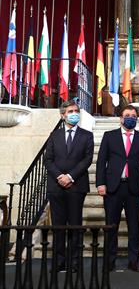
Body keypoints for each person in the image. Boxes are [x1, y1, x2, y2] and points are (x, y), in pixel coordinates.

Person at [96, 105, 139, 272]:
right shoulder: (109, 136)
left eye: (133, 116)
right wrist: (100, 183)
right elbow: (101, 162)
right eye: (127, 115)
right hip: (113, 187)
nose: (130, 118)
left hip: (134, 188)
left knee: (134, 227)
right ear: (120, 118)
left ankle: (133, 261)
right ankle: (110, 261)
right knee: (111, 226)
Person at [44, 100, 94, 272]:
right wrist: (60, 176)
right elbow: (48, 159)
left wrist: (70, 176)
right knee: (58, 226)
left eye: (76, 110)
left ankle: (74, 261)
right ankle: (59, 261)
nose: (74, 113)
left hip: (76, 185)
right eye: (71, 111)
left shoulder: (87, 135)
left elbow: (87, 160)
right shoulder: (54, 134)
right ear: (63, 115)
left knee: (75, 225)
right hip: (56, 186)